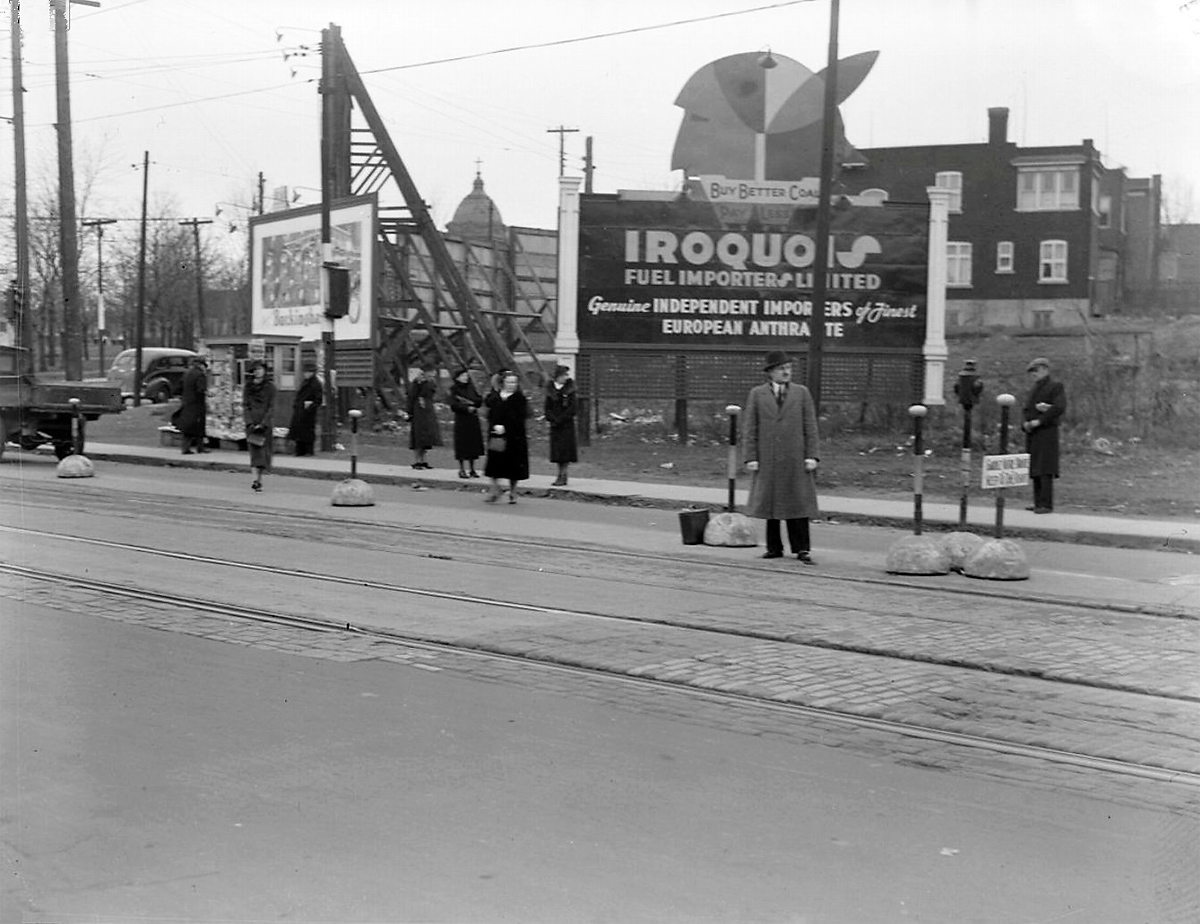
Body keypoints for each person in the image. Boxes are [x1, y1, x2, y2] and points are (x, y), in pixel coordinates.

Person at [742, 349, 821, 563]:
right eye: (781, 369)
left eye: (788, 368)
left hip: (796, 458)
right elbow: (750, 427)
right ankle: (774, 547)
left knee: (798, 502)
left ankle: (802, 548)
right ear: (770, 372)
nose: (786, 372)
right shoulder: (757, 394)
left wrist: (813, 455)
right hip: (768, 458)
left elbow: (810, 426)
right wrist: (750, 457)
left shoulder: (801, 393)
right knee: (771, 503)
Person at [1022, 356, 1067, 514]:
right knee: (1035, 468)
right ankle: (1038, 502)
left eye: (1036, 370)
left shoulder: (1055, 386)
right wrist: (1026, 424)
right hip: (1033, 433)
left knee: (1045, 468)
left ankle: (1046, 504)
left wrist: (1040, 420)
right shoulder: (1034, 389)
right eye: (1031, 371)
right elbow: (1027, 410)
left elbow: (1059, 407)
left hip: (1047, 432)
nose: (1033, 374)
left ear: (1045, 369)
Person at [483, 370, 530, 504]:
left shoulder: (519, 399)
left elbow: (520, 417)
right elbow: (489, 413)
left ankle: (513, 491)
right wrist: (494, 425)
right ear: (503, 383)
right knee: (494, 464)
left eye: (514, 382)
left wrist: (507, 427)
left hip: (514, 437)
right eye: (509, 382)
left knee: (513, 466)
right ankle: (495, 489)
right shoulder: (495, 397)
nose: (512, 385)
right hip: (497, 436)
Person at [243, 359, 276, 493]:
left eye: (260, 369)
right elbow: (245, 405)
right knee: (254, 451)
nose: (258, 372)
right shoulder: (248, 387)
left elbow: (272, 407)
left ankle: (260, 479)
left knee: (263, 453)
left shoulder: (270, 387)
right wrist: (249, 422)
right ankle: (255, 480)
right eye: (255, 370)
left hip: (264, 424)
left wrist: (263, 423)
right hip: (252, 423)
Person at [544, 364, 578, 486]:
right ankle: (560, 473)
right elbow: (547, 408)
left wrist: (561, 419)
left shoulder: (570, 390)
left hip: (566, 425)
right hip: (555, 426)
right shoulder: (550, 390)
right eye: (564, 375)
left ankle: (563, 474)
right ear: (557, 376)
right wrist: (552, 419)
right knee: (557, 452)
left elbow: (572, 408)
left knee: (565, 451)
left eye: (567, 375)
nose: (566, 377)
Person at [449, 367, 484, 478]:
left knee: (472, 444)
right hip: (462, 419)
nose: (465, 378)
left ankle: (472, 468)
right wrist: (465, 408)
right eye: (463, 376)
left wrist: (477, 401)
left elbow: (477, 399)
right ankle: (462, 469)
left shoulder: (471, 387)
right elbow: (454, 404)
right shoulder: (454, 389)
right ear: (458, 378)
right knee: (462, 444)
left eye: (466, 376)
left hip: (472, 419)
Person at [407, 366, 442, 470]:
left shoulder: (431, 382)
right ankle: (418, 460)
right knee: (418, 435)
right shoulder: (417, 382)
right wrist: (409, 412)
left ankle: (424, 460)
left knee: (427, 435)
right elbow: (411, 396)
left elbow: (432, 393)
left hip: (428, 409)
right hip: (418, 409)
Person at [287, 360, 323, 457]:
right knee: (299, 431)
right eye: (305, 372)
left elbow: (318, 399)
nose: (306, 374)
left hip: (308, 412)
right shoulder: (305, 382)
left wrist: (310, 407)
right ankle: (299, 450)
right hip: (300, 410)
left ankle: (308, 451)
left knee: (307, 432)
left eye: (308, 372)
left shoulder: (315, 383)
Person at [175, 355, 209, 455]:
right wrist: (207, 394)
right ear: (201, 365)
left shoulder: (186, 373)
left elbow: (179, 388)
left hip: (187, 402)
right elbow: (201, 389)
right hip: (197, 403)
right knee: (199, 425)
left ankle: (185, 447)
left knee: (188, 426)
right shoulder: (200, 375)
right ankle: (200, 447)